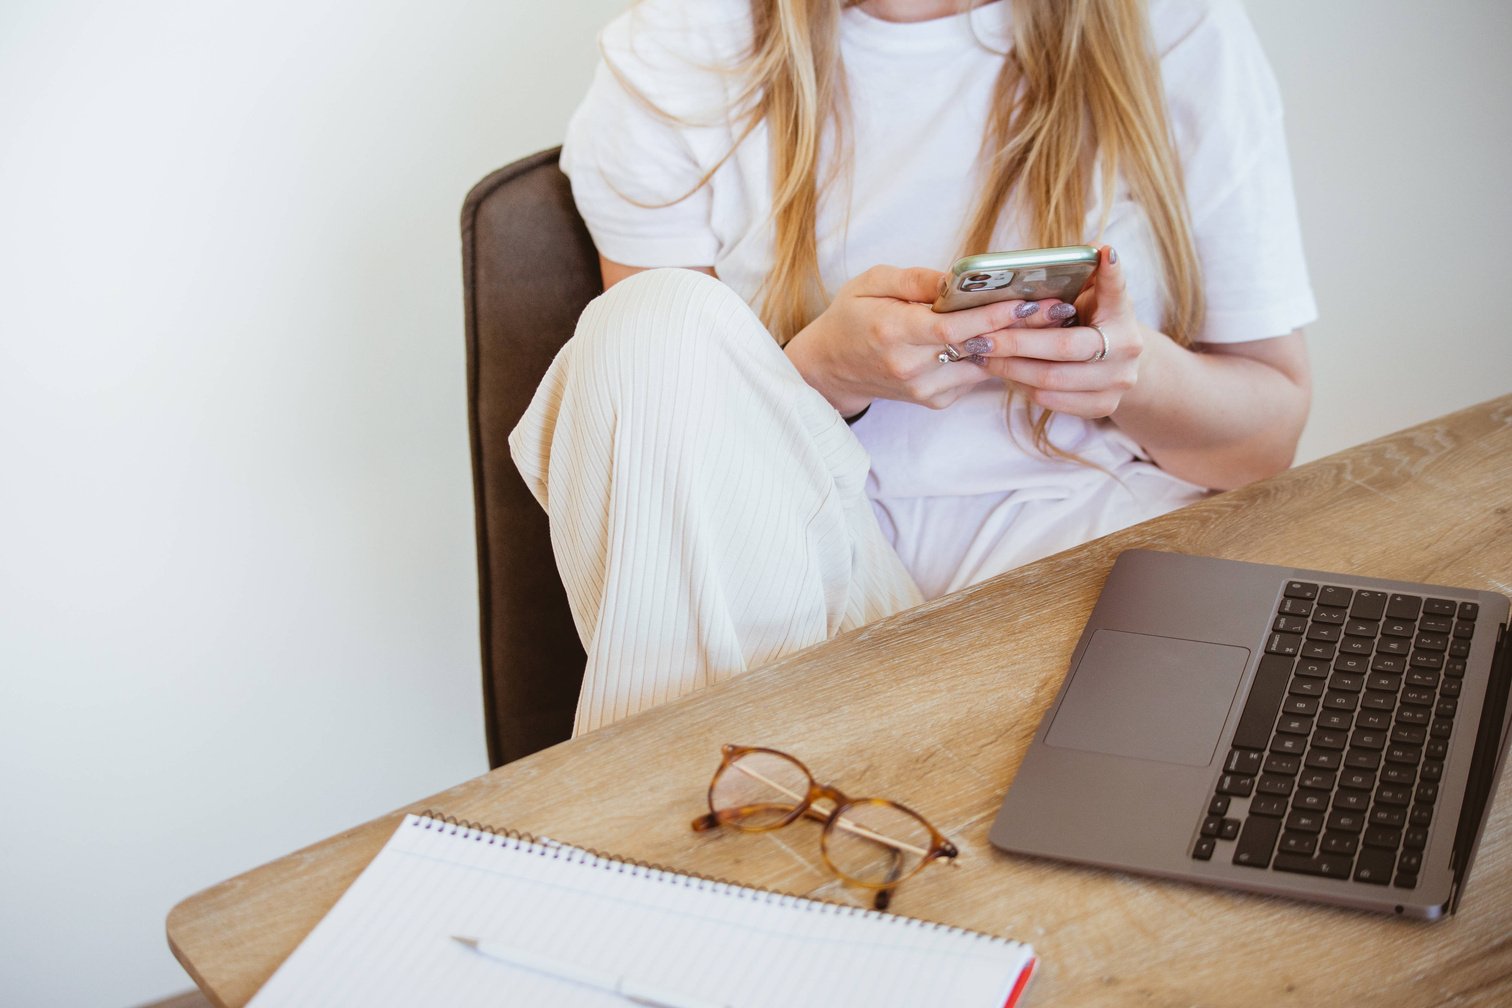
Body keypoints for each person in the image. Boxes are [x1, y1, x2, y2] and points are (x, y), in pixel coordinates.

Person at [510, 0, 1316, 734]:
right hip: (803, 580)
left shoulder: (1174, 27)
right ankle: (685, 815)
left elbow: (1265, 439)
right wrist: (820, 375)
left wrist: (1129, 376)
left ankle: (661, 836)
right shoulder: (681, 48)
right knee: (648, 322)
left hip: (1089, 558)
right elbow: (665, 442)